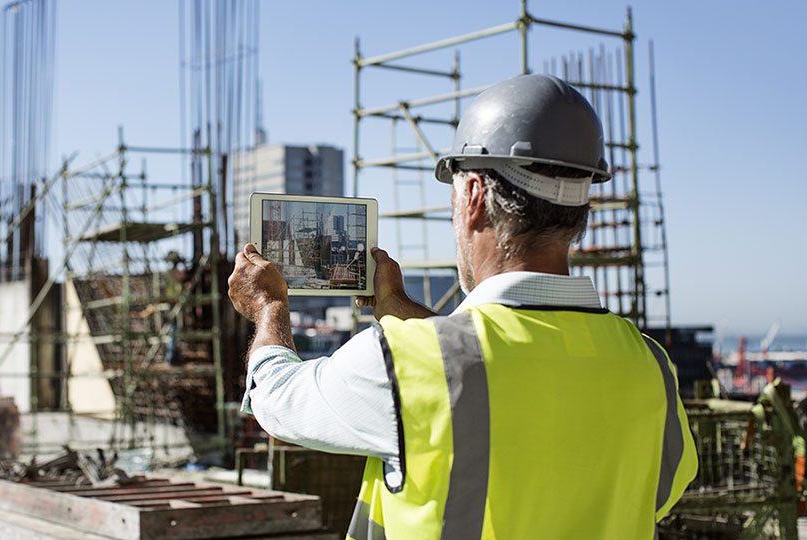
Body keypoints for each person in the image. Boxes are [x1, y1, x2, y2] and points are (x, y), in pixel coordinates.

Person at [227, 73, 697, 539]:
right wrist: (403, 310)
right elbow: (658, 489)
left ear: (472, 197)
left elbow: (278, 401)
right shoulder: (649, 365)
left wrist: (269, 307)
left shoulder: (405, 361)